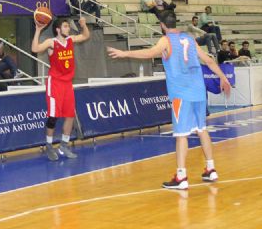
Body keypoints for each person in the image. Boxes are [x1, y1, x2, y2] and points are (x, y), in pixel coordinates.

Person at [107, 10, 231, 190]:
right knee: (202, 129)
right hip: (198, 92)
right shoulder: (189, 38)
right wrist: (223, 78)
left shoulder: (165, 40)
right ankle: (211, 169)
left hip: (181, 94)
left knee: (181, 135)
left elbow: (150, 53)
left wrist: (125, 54)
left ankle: (181, 176)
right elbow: (209, 60)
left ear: (162, 25)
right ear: (176, 23)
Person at [31, 16, 90, 161]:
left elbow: (86, 36)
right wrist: (38, 30)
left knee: (69, 115)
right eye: (65, 26)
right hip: (55, 83)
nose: (68, 28)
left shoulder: (70, 40)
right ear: (58, 29)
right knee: (53, 116)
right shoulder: (51, 42)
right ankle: (49, 146)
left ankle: (64, 145)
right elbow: (35, 49)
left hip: (67, 83)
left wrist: (83, 25)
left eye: (68, 26)